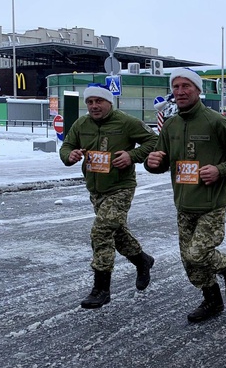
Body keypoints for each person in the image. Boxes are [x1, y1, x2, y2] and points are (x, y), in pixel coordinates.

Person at [144, 68, 226, 323]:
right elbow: (160, 162)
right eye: (176, 87)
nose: (180, 91)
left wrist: (220, 170)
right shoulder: (170, 125)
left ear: (198, 90)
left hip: (212, 202)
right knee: (190, 264)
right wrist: (152, 162)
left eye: (186, 86)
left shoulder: (215, 121)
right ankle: (213, 301)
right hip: (184, 202)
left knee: (197, 254)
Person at [59, 84, 159, 309]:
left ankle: (101, 288)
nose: (94, 106)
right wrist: (71, 155)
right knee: (117, 233)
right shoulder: (81, 124)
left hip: (120, 187)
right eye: (90, 102)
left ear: (109, 102)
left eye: (99, 101)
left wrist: (132, 155)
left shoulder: (125, 122)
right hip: (96, 189)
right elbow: (66, 146)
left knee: (101, 231)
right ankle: (142, 260)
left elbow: (153, 141)